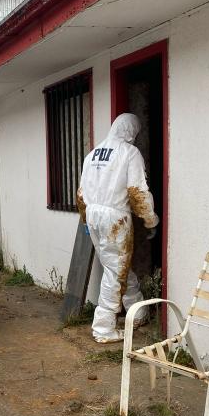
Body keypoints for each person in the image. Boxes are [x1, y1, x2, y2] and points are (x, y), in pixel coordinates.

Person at [77, 113, 159, 344]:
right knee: (115, 270)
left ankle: (136, 310)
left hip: (93, 215)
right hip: (115, 218)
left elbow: (81, 194)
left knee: (117, 265)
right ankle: (104, 328)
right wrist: (150, 220)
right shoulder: (129, 153)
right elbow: (137, 192)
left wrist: (86, 219)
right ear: (131, 130)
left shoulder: (92, 154)